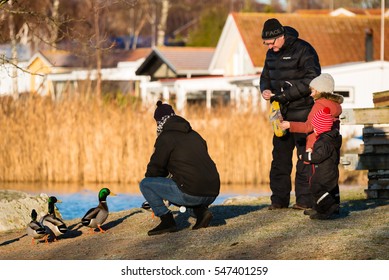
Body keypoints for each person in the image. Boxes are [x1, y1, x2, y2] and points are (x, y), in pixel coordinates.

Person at [260, 18, 321, 210]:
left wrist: (285, 95)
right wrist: (265, 90)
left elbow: (312, 79)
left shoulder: (304, 49)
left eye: (272, 43)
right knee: (279, 159)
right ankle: (278, 200)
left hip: (303, 113)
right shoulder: (270, 54)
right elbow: (265, 77)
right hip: (279, 114)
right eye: (266, 44)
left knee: (304, 158)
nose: (271, 47)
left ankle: (304, 200)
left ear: (282, 36)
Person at [139, 101, 220, 236]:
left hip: (191, 191)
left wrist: (162, 180)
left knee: (146, 184)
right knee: (184, 186)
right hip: (212, 191)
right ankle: (201, 213)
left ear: (159, 121)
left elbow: (154, 170)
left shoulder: (165, 137)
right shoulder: (195, 135)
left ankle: (167, 221)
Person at [279, 73, 343, 212]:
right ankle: (334, 205)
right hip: (331, 148)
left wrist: (290, 125)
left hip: (317, 146)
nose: (310, 94)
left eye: (313, 90)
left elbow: (310, 126)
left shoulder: (319, 105)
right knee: (330, 179)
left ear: (320, 91)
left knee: (315, 180)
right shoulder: (335, 105)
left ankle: (320, 207)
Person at [299, 107, 342, 219]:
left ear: (321, 128)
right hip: (329, 170)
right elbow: (323, 153)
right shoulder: (330, 138)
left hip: (325, 171)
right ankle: (320, 209)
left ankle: (328, 207)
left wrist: (305, 156)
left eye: (315, 127)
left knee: (316, 188)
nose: (314, 130)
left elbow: (318, 157)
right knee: (326, 189)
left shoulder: (323, 141)